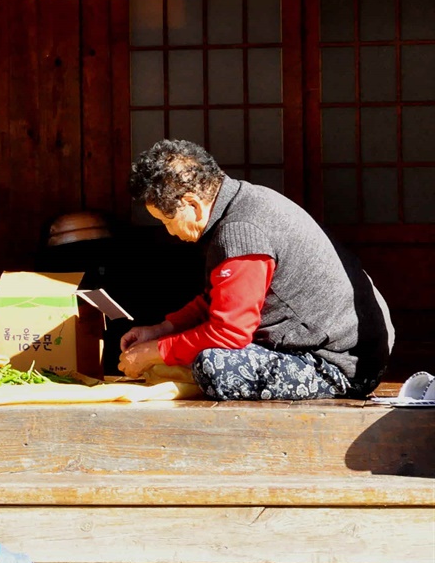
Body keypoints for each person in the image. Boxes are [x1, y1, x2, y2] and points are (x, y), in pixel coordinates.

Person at [118, 139, 394, 400]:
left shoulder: (241, 230)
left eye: (167, 221)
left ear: (192, 204)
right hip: (339, 350)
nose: (170, 232)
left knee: (214, 365)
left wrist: (155, 352)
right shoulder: (244, 202)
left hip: (342, 366)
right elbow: (219, 300)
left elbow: (229, 333)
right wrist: (161, 330)